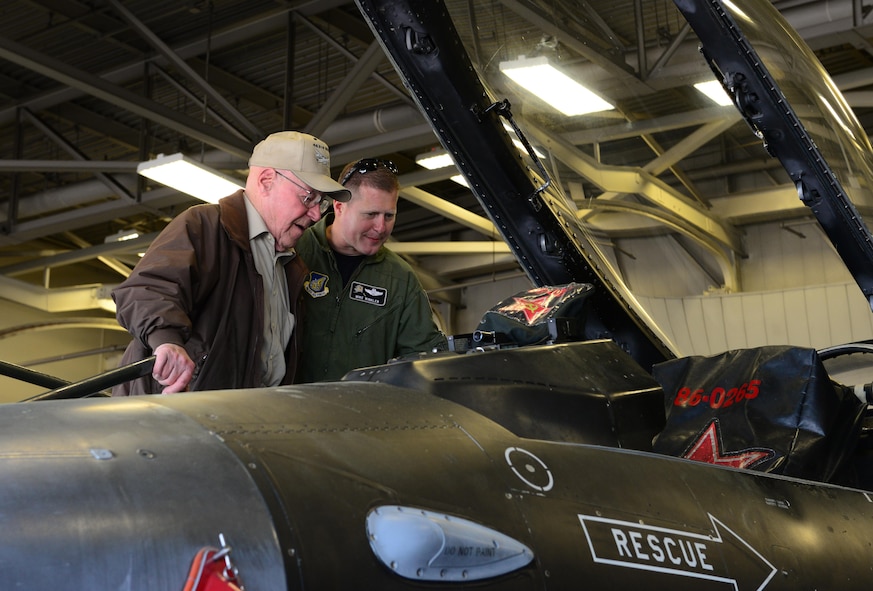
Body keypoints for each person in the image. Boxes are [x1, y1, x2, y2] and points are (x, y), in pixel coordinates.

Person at [111, 131, 351, 395]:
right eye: (308, 197)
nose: (316, 213)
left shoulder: (290, 265)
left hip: (243, 420)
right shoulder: (204, 226)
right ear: (266, 180)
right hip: (176, 415)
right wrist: (167, 342)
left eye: (321, 202)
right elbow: (146, 289)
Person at [294, 157, 448, 382]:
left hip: (360, 414)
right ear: (339, 206)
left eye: (389, 216)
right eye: (371, 214)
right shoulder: (296, 250)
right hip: (285, 410)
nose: (380, 227)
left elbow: (423, 362)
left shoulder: (400, 280)